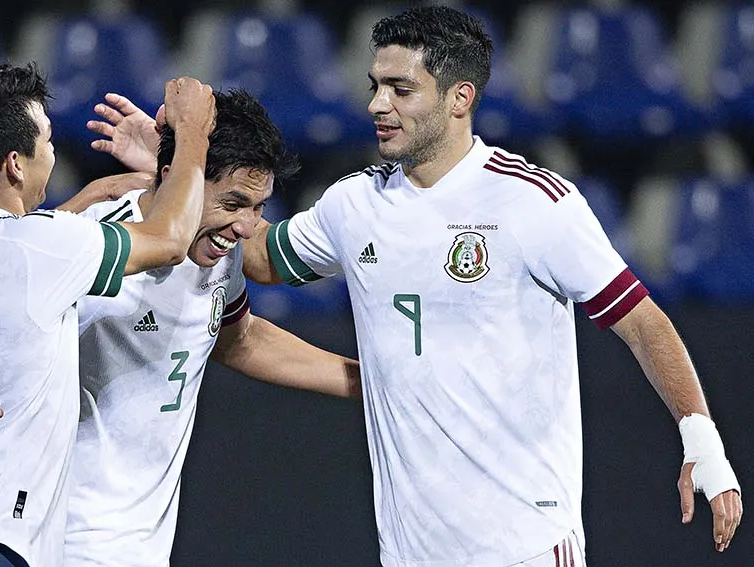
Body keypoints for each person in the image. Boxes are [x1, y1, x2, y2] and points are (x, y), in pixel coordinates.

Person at [82, 6, 743, 566]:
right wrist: (177, 178)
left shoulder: (537, 202)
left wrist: (702, 438)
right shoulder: (353, 205)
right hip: (408, 551)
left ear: (460, 98)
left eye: (401, 89)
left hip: (523, 545)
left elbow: (643, 321)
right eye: (374, 85)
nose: (377, 104)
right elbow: (255, 254)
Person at [0, 89, 361, 567]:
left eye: (257, 207)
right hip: (63, 538)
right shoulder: (88, 238)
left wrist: (365, 380)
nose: (248, 226)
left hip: (144, 544)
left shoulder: (219, 254)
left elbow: (240, 339)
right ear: (181, 180)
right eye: (235, 203)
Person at [0, 63, 217, 567]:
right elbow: (171, 241)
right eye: (46, 138)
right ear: (16, 165)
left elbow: (47, 236)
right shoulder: (36, 251)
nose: (55, 149)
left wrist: (135, 181)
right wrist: (192, 135)